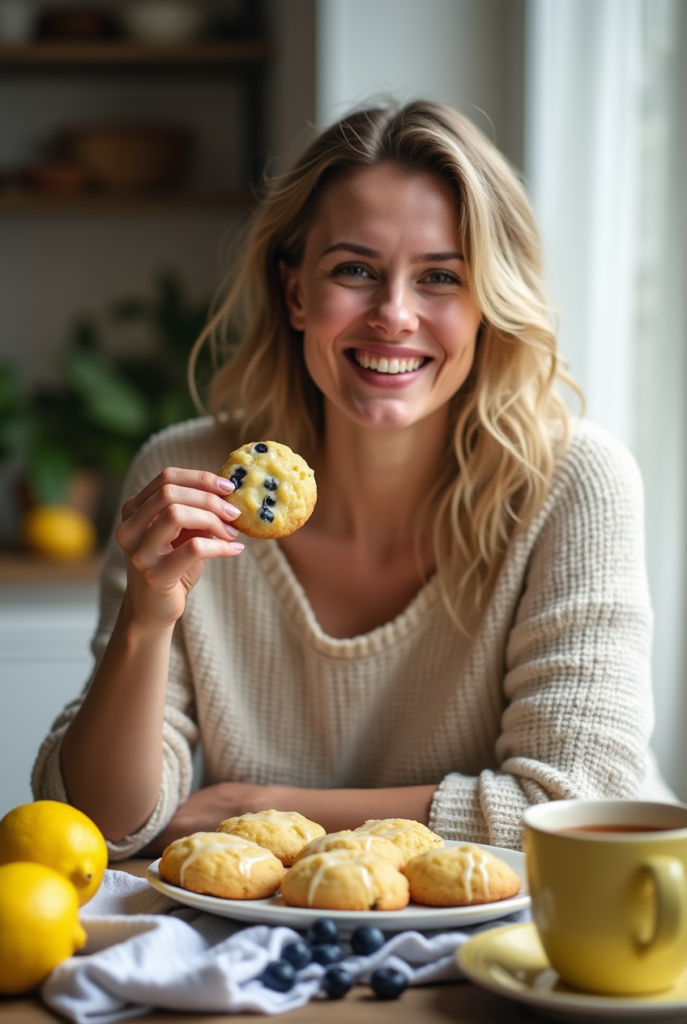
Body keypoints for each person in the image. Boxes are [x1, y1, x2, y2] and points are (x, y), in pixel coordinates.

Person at [32, 100, 653, 859]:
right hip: (276, 959)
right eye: (354, 269)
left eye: (439, 278)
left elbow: (577, 798)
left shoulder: (572, 485)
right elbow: (98, 825)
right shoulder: (188, 481)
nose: (393, 315)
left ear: (488, 302)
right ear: (295, 292)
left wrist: (264, 808)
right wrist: (146, 619)